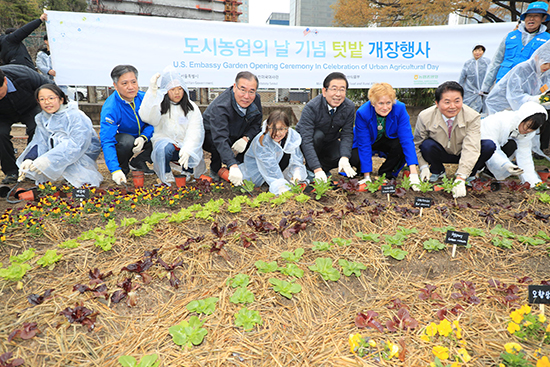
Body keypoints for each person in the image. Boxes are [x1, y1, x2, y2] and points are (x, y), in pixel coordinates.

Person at [413, 81, 496, 198]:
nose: (452, 106)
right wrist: (423, 167)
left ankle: (470, 174)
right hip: (440, 152)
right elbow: (417, 143)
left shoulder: (472, 117)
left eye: (457, 101)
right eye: (447, 102)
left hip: (462, 152)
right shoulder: (425, 116)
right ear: (437, 103)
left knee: (488, 146)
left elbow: (471, 147)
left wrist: (461, 177)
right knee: (426, 145)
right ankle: (438, 170)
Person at [16, 84, 102, 187]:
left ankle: (72, 178)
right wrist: (29, 158)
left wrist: (48, 159)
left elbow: (76, 144)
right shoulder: (42, 118)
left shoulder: (75, 116)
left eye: (51, 98)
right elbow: (40, 141)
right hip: (56, 154)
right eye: (42, 99)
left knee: (80, 181)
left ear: (61, 100)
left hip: (81, 155)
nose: (47, 102)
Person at [139, 71, 205, 185]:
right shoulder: (160, 105)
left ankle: (187, 171)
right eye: (172, 90)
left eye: (179, 89)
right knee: (164, 148)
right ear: (166, 91)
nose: (177, 93)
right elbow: (147, 116)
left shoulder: (191, 107)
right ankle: (166, 172)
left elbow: (195, 130)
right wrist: (152, 92)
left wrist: (188, 148)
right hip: (167, 145)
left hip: (184, 145)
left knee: (191, 149)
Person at [350, 82, 420, 188]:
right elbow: (364, 144)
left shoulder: (400, 109)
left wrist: (414, 173)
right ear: (373, 103)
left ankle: (386, 173)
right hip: (369, 140)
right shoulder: (362, 113)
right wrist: (367, 177)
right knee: (356, 157)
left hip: (388, 139)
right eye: (381, 103)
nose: (385, 107)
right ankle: (362, 171)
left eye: (388, 103)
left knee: (401, 146)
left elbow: (407, 139)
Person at [202, 71, 262, 186]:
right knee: (217, 144)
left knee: (256, 137)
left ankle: (241, 167)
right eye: (242, 90)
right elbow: (220, 139)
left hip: (238, 131)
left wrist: (246, 138)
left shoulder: (256, 99)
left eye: (251, 91)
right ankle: (215, 169)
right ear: (235, 87)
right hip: (212, 135)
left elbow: (256, 125)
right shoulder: (220, 107)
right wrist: (232, 165)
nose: (246, 96)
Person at [296, 72, 356, 182]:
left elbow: (347, 133)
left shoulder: (349, 107)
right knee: (317, 136)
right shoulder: (312, 107)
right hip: (312, 141)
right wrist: (316, 169)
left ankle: (324, 169)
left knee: (342, 153)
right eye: (334, 89)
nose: (338, 94)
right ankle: (311, 169)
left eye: (342, 90)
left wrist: (345, 157)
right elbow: (306, 140)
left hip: (329, 141)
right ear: (324, 91)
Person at [100, 65, 154, 185]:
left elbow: (154, 122)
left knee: (161, 136)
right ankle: (122, 169)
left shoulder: (144, 98)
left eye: (133, 82)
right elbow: (107, 140)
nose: (131, 87)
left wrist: (143, 137)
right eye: (124, 83)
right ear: (115, 85)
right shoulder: (111, 107)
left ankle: (139, 161)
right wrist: (114, 170)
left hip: (143, 137)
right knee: (126, 141)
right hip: (126, 139)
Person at [481, 2, 550, 92]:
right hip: (503, 85)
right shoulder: (510, 36)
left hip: (527, 89)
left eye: (536, 15)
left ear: (543, 18)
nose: (531, 18)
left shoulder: (547, 40)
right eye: (528, 16)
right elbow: (496, 62)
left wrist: (544, 91)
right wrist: (486, 87)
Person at [0, 65, 51, 184]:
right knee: (0, 134)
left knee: (37, 128)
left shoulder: (24, 75)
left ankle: (32, 166)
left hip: (29, 107)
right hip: (2, 114)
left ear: (5, 81)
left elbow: (49, 88)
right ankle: (11, 171)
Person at [239, 110, 307, 195]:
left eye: (281, 129)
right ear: (268, 127)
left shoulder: (292, 138)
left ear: (287, 128)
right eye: (273, 129)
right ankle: (264, 184)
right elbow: (269, 168)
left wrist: (297, 172)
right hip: (259, 171)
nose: (277, 133)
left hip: (278, 167)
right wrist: (280, 186)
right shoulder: (262, 141)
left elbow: (296, 159)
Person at [481, 101, 546, 187]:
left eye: (533, 129)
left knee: (512, 145)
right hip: (479, 144)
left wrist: (533, 182)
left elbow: (525, 156)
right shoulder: (499, 121)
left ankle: (488, 172)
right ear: (523, 118)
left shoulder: (526, 133)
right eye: (528, 126)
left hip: (493, 148)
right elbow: (492, 146)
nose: (528, 130)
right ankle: (473, 173)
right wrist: (505, 164)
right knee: (488, 147)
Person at [458, 45, 490, 113]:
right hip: (470, 93)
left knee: (485, 112)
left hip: (484, 93)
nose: (477, 52)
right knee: (469, 112)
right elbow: (462, 77)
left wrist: (485, 89)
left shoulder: (487, 62)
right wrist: (458, 90)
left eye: (480, 50)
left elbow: (490, 76)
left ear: (483, 52)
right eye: (475, 50)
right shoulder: (468, 63)